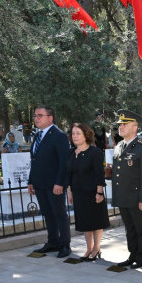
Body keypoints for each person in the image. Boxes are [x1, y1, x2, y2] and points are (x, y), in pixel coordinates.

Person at [111, 110, 142, 269]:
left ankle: (141, 257)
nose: (120, 127)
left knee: (141, 229)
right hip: (123, 196)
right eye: (120, 124)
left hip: (136, 197)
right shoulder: (119, 146)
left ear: (135, 127)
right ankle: (132, 254)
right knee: (129, 229)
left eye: (124, 124)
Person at [28, 106, 72, 258]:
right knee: (48, 214)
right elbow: (34, 160)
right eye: (35, 115)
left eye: (40, 115)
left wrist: (60, 183)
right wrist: (31, 180)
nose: (36, 118)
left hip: (55, 184)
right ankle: (52, 242)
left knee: (59, 214)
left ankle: (65, 245)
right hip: (40, 183)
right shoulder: (37, 135)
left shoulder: (59, 136)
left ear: (50, 117)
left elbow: (64, 162)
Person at [66, 123, 109, 261]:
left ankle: (96, 248)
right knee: (85, 222)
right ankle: (89, 248)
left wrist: (99, 193)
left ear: (86, 135)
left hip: (93, 193)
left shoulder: (95, 152)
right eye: (73, 133)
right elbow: (69, 175)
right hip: (78, 193)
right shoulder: (71, 153)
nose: (75, 136)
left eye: (78, 133)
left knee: (96, 221)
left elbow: (99, 175)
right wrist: (70, 192)